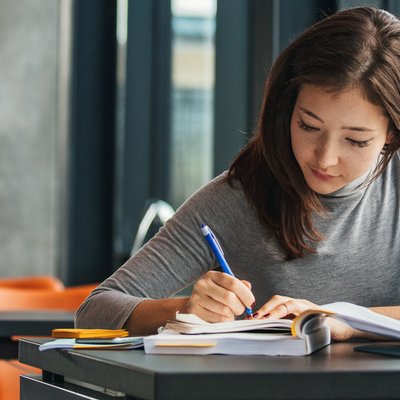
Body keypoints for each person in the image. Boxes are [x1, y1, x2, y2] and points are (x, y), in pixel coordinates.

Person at [76, 6, 400, 341]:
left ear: (391, 132)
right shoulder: (240, 197)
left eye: (355, 140)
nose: (326, 158)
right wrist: (185, 310)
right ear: (288, 108)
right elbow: (94, 312)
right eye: (308, 125)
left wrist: (342, 320)